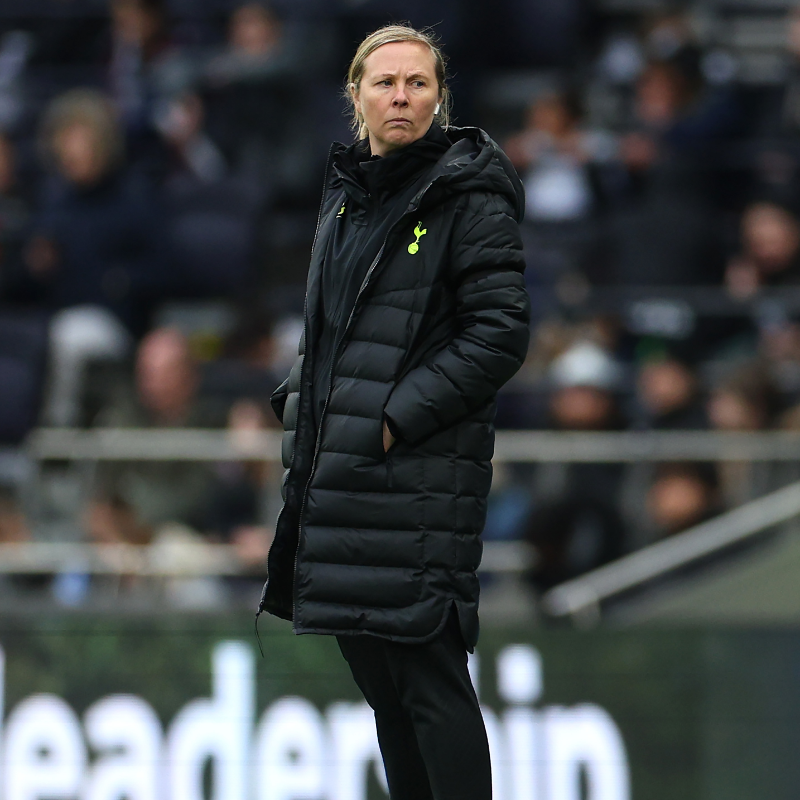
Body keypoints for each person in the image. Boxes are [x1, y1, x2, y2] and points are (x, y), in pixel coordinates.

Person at [257, 24, 530, 800]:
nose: (401, 96)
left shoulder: (467, 193)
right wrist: (301, 409)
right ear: (357, 97)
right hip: (341, 477)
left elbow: (500, 333)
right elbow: (328, 331)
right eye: (385, 83)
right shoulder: (346, 195)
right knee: (383, 684)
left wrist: (392, 417)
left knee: (428, 680)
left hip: (415, 480)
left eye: (417, 83)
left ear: (441, 97)